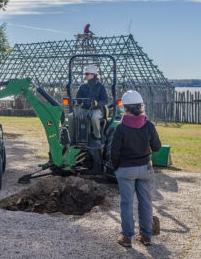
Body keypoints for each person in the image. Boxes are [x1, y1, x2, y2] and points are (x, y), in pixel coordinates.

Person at [111, 90, 161, 248]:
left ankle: (126, 237)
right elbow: (157, 147)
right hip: (145, 168)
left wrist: (116, 168)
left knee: (127, 203)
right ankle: (146, 236)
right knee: (145, 202)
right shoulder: (148, 124)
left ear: (126, 109)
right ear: (140, 107)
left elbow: (114, 152)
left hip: (126, 170)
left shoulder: (120, 127)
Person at [68, 65, 108, 141]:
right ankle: (72, 137)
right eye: (85, 74)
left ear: (93, 74)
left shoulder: (101, 86)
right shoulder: (83, 86)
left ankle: (97, 137)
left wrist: (97, 103)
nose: (85, 75)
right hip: (85, 109)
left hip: (96, 109)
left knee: (95, 118)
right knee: (71, 117)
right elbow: (78, 100)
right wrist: (75, 102)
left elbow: (105, 100)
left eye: (87, 74)